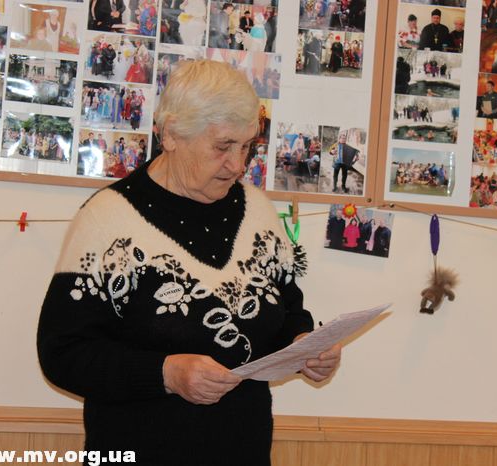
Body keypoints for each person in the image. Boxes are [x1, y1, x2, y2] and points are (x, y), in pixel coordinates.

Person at [38, 60, 341, 465]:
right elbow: (62, 353)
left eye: (246, 146)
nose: (238, 164)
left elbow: (287, 309)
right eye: (223, 146)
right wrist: (164, 374)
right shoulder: (108, 220)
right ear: (171, 134)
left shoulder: (258, 212)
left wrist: (304, 345)